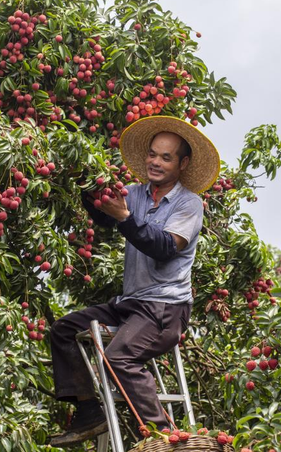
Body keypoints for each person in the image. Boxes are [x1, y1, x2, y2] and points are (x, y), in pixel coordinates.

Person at [48, 115, 221, 448]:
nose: (155, 162)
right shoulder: (136, 193)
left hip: (165, 308)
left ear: (182, 163)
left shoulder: (190, 204)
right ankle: (89, 411)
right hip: (131, 304)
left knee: (119, 357)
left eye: (165, 157)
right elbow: (103, 211)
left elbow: (165, 247)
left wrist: (124, 217)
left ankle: (166, 438)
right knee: (64, 330)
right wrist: (84, 179)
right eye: (153, 154)